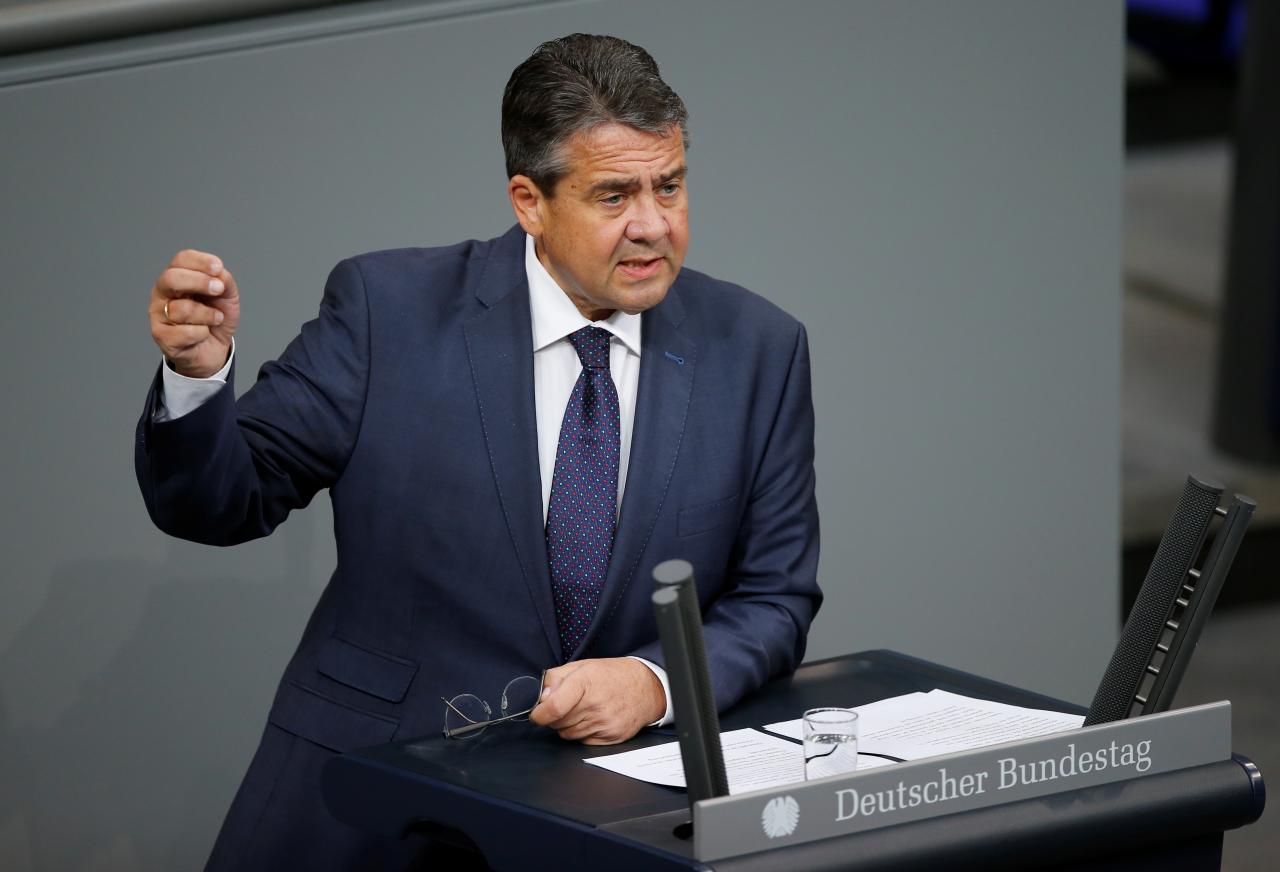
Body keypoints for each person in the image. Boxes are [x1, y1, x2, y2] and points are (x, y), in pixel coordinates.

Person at [137, 33, 821, 870]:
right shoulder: (386, 310)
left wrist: (653, 683)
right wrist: (198, 379)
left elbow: (776, 599)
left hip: (616, 821)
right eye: (614, 196)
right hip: (374, 809)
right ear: (529, 202)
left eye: (669, 186)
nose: (653, 225)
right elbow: (218, 505)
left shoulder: (759, 348)